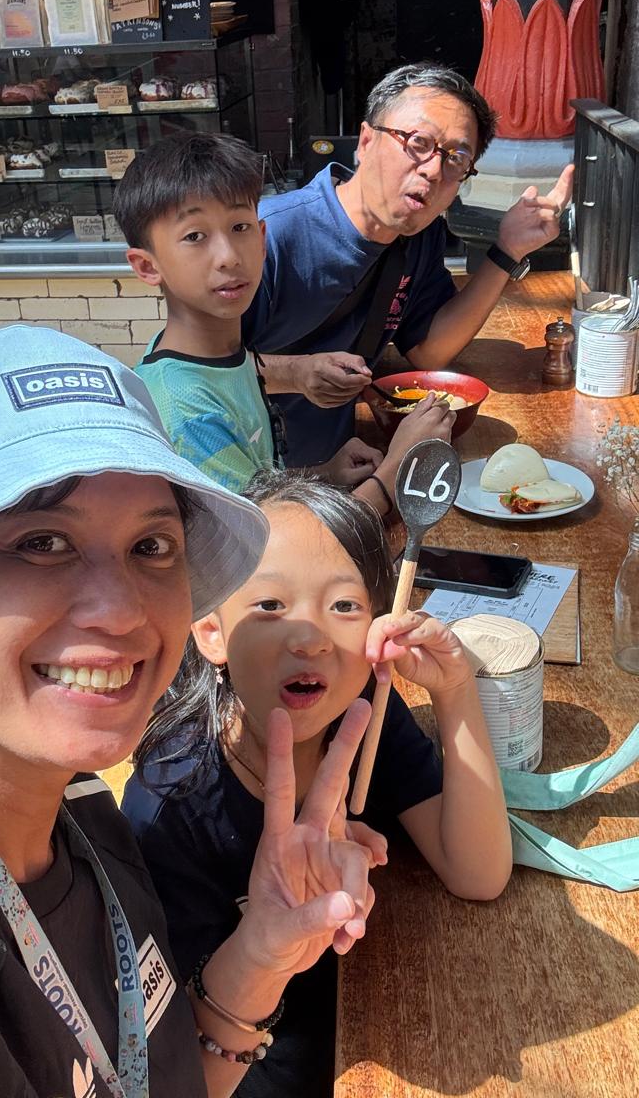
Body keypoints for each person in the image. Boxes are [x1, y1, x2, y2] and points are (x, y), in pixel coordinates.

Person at [0, 325, 384, 1098]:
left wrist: (261, 954)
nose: (123, 610)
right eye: (42, 541)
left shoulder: (85, 813)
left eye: (152, 547)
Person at [123, 470, 513, 1098]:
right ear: (211, 632)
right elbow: (178, 1056)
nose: (308, 638)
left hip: (383, 1020)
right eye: (270, 606)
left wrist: (455, 689)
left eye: (344, 606)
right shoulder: (170, 806)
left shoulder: (363, 721)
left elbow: (478, 874)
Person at [242, 62, 575, 468]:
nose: (434, 169)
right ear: (366, 141)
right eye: (418, 142)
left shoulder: (420, 236)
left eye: (456, 158)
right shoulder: (269, 234)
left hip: (337, 469)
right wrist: (293, 374)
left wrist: (507, 250)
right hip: (243, 474)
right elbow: (188, 368)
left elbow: (429, 351)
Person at [114, 132, 453, 510]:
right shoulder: (187, 411)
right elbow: (273, 540)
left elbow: (253, 488)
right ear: (147, 266)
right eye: (195, 236)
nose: (228, 256)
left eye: (239, 227)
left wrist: (323, 474)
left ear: (262, 239)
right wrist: (395, 469)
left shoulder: (222, 359)